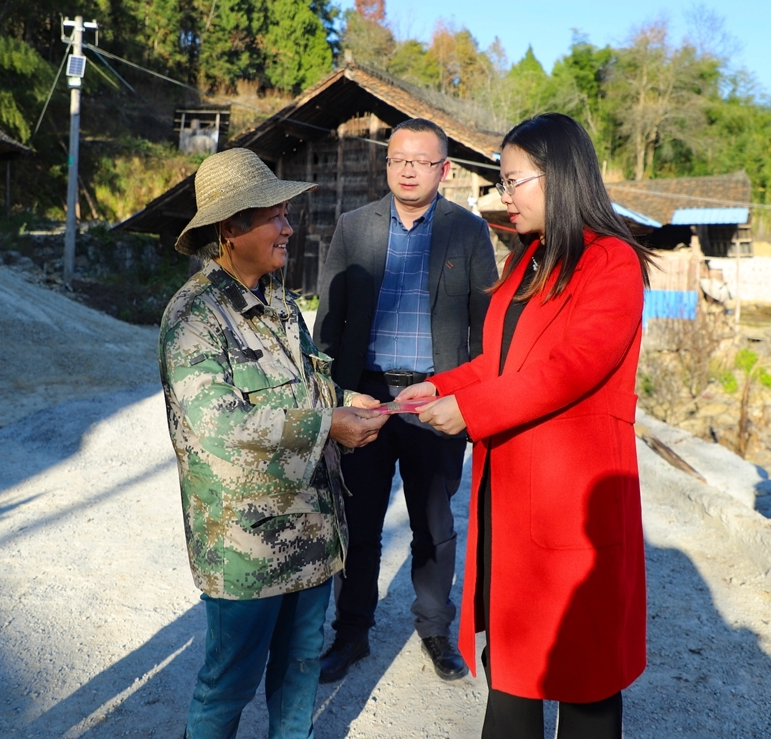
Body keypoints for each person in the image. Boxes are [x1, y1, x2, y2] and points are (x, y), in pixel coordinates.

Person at [397, 113, 652, 738]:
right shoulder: (529, 260)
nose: (504, 196)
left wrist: (472, 411)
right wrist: (442, 385)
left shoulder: (610, 263)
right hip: (512, 500)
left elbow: (572, 367)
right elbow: (500, 360)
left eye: (514, 181)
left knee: (584, 684)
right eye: (503, 182)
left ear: (558, 176)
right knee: (512, 676)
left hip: (571, 504)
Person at [158, 147, 389, 739]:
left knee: (299, 680)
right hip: (247, 549)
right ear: (231, 229)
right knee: (228, 686)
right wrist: (326, 426)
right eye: (275, 216)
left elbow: (304, 387)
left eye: (287, 214)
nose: (289, 226)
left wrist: (342, 402)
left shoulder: (281, 301)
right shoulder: (195, 316)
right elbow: (218, 427)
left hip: (311, 536)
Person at [313, 118, 498, 682]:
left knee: (434, 521)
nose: (409, 169)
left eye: (422, 160)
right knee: (360, 520)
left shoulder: (467, 232)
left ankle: (436, 629)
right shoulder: (354, 227)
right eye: (398, 159)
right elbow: (329, 321)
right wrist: (336, 396)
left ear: (445, 168)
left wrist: (464, 396)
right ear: (387, 165)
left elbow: (483, 328)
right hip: (366, 393)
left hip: (434, 400)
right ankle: (351, 634)